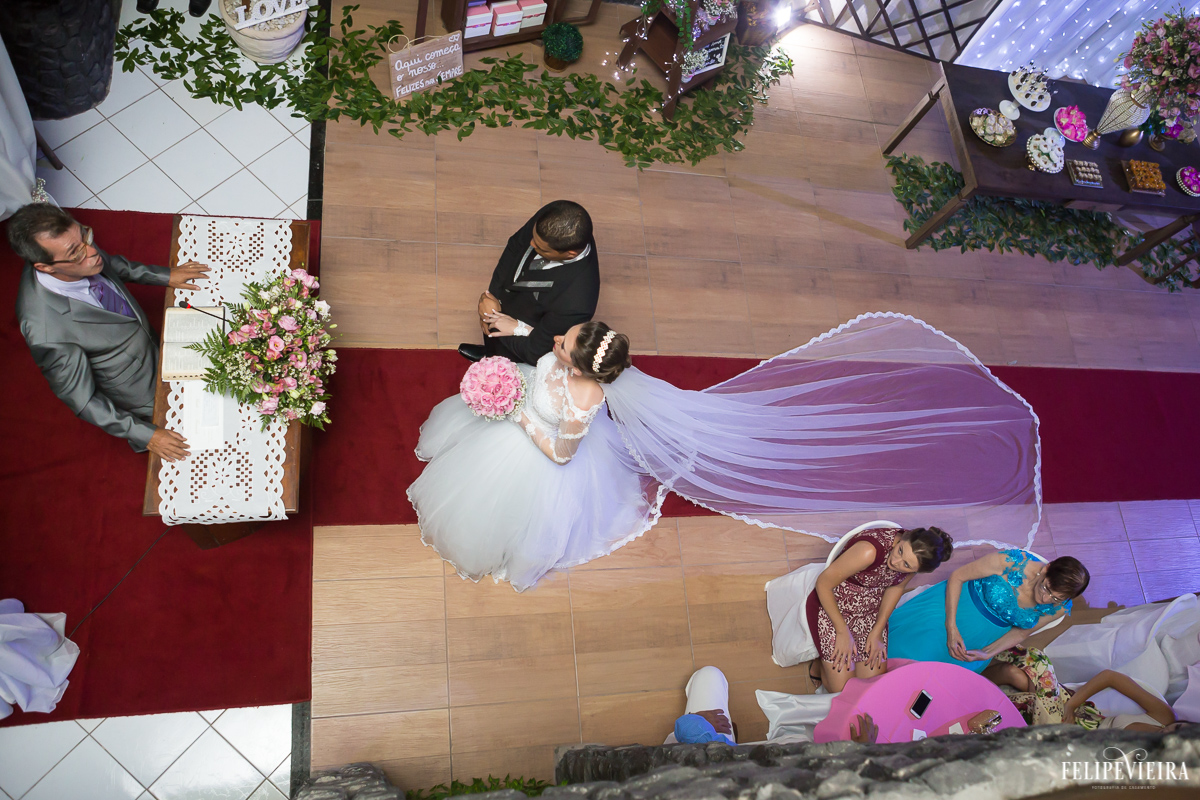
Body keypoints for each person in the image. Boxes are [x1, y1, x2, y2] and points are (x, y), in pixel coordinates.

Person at [409, 313, 1042, 592]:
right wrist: (516, 344)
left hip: (536, 452)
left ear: (579, 362)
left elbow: (560, 458)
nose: (556, 336)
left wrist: (519, 414)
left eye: (565, 339)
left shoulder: (587, 403)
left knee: (492, 512)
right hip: (521, 417)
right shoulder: (569, 358)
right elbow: (540, 350)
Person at [9, 204, 207, 461]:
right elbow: (84, 401)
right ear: (46, 267)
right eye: (77, 252)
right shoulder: (46, 330)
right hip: (140, 388)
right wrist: (148, 435)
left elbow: (111, 266)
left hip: (153, 342)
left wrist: (164, 275)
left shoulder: (78, 248)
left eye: (86, 236)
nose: (92, 251)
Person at [887, 550, 1090, 674]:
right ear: (1047, 569)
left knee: (932, 678)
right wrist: (951, 626)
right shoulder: (1010, 562)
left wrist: (986, 653)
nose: (1046, 600)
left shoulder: (1059, 607)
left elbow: (1021, 633)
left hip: (982, 637)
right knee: (911, 653)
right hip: (951, 610)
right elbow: (957, 576)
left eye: (1055, 598)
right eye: (1046, 588)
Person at [806, 527, 955, 693]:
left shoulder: (915, 560)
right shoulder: (869, 551)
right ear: (904, 538)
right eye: (900, 551)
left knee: (870, 686)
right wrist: (842, 632)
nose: (896, 562)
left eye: (906, 565)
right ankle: (819, 665)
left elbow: (896, 587)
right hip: (834, 601)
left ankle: (830, 664)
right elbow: (823, 584)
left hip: (870, 609)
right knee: (842, 690)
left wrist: (877, 630)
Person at [459, 200, 599, 367]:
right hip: (504, 308)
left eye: (542, 249)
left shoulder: (577, 302)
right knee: (493, 346)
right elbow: (515, 245)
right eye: (533, 238)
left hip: (517, 341)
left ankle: (495, 360)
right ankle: (489, 353)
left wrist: (493, 322)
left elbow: (535, 350)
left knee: (505, 360)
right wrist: (492, 297)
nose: (531, 244)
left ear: (570, 254)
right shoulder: (552, 218)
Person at [986, 647, 1191, 732]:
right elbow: (1110, 677)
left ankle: (969, 684)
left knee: (1029, 668)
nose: (1171, 733)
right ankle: (966, 675)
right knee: (1015, 672)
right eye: (1180, 729)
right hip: (1074, 709)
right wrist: (1073, 705)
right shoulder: (1165, 716)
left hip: (1066, 736)